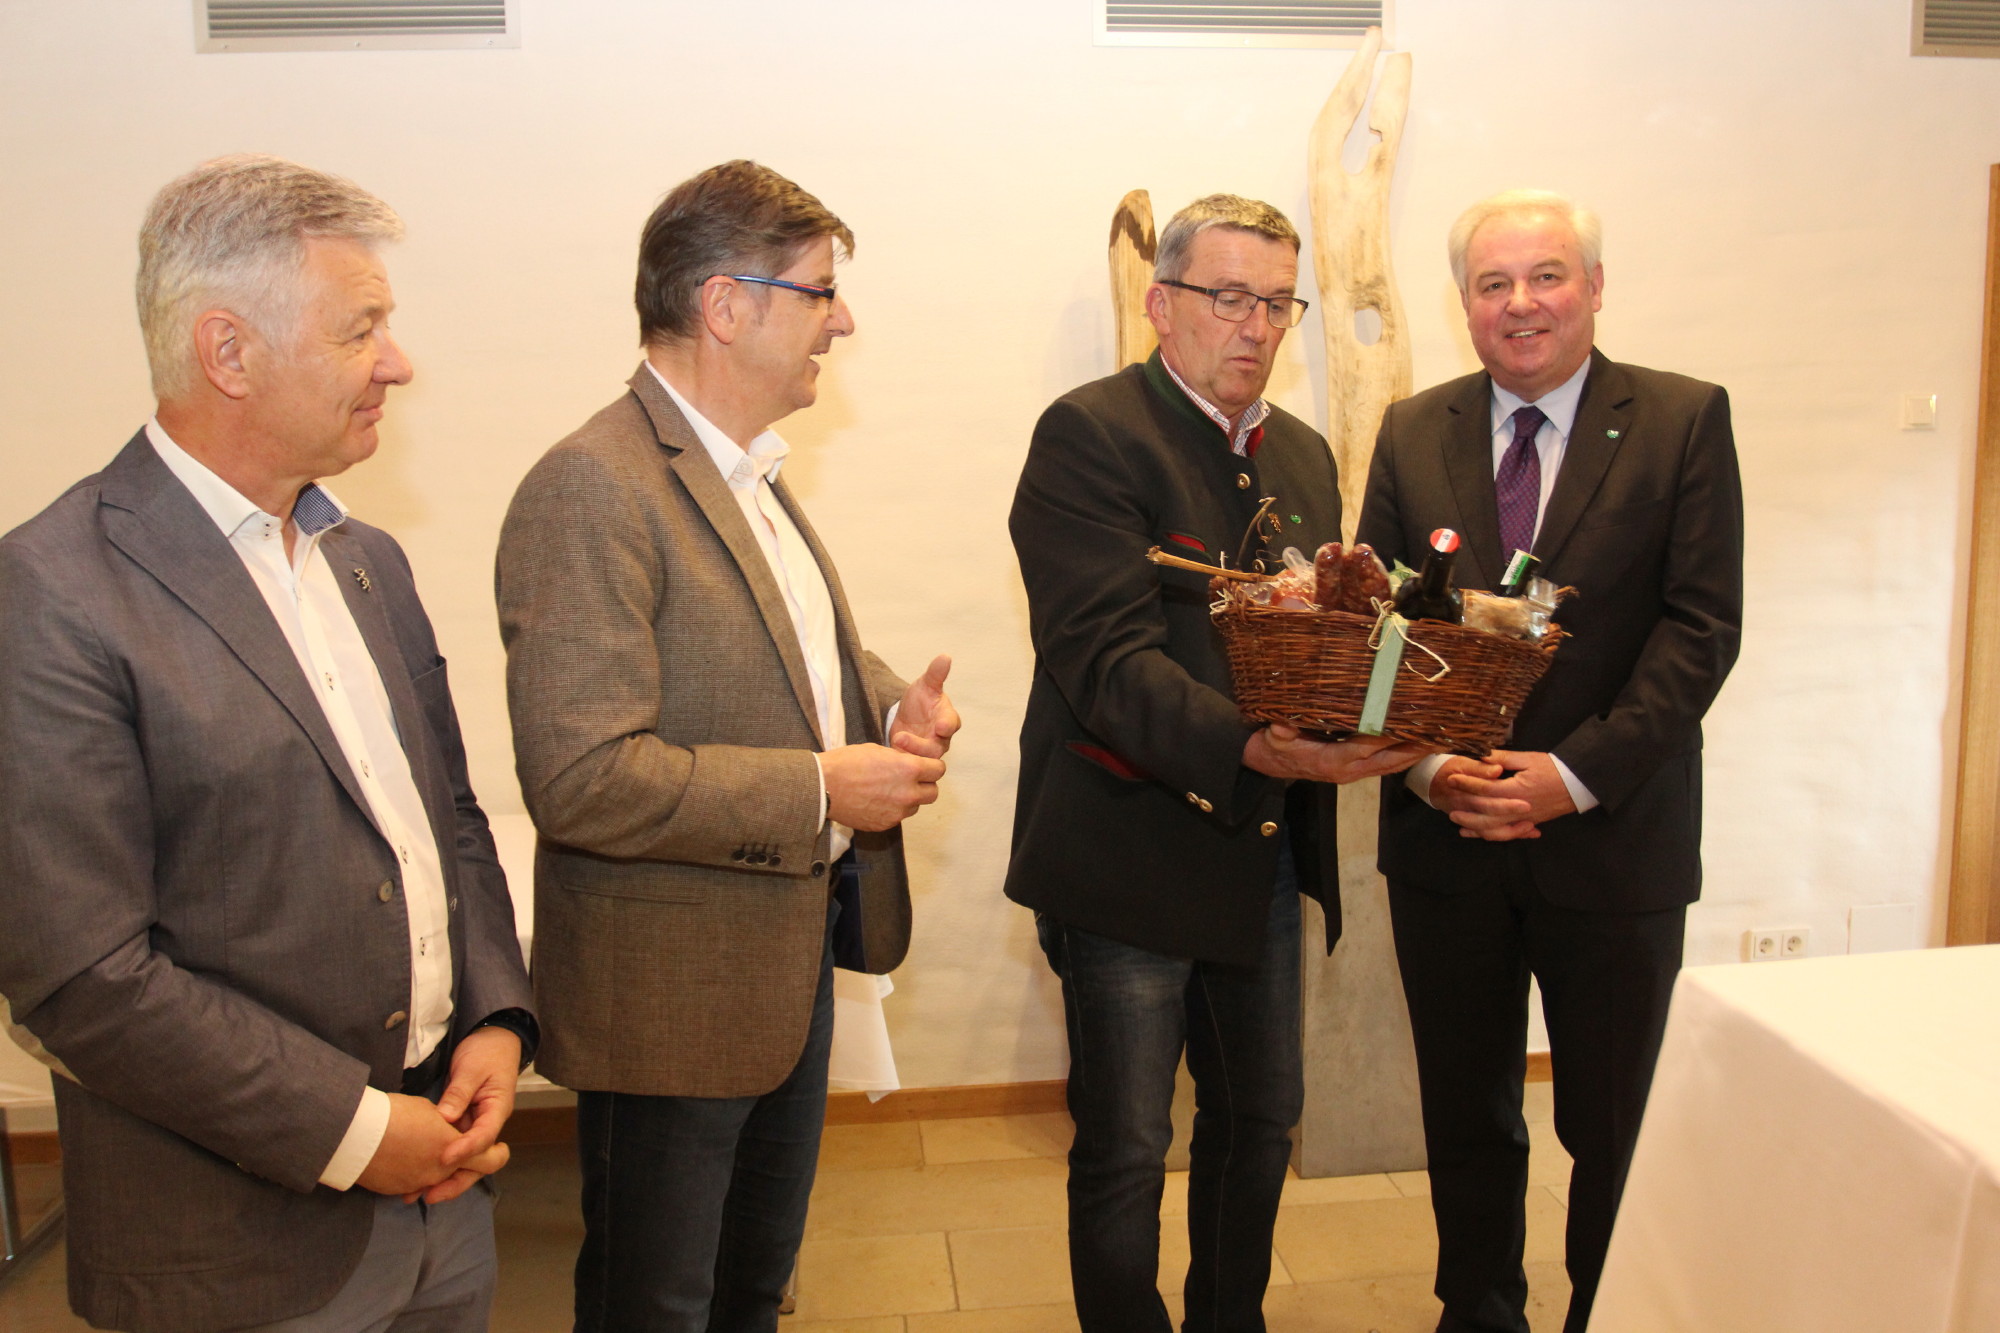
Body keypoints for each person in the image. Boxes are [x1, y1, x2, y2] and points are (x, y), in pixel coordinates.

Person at [0, 154, 536, 1332]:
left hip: (445, 1198)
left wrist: (495, 1017)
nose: (397, 362)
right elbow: (81, 975)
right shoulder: (53, 590)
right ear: (228, 353)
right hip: (233, 1247)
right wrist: (356, 1130)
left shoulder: (366, 560)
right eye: (360, 330)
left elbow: (446, 819)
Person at [496, 159, 959, 1333]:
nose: (841, 321)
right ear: (724, 305)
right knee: (657, 1306)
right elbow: (582, 778)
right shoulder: (592, 486)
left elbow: (787, 656)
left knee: (750, 1292)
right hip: (672, 998)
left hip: (777, 971)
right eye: (819, 291)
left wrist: (887, 707)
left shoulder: (743, 470)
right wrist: (821, 787)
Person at [1006, 193, 1427, 1333]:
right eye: (1229, 297)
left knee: (1258, 1124)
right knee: (1128, 1145)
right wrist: (1251, 743)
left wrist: (1364, 711)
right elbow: (1102, 661)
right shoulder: (1089, 434)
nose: (1257, 326)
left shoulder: (1303, 452)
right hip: (1126, 851)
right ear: (1160, 304)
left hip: (1260, 847)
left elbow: (1313, 644)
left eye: (1278, 303)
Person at [1356, 189, 1744, 1333]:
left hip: (1613, 841)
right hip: (1446, 835)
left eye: (1545, 276)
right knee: (1465, 1113)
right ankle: (1476, 1310)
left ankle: (1608, 1313)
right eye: (1492, 283)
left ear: (1593, 285)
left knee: (1611, 1121)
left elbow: (1698, 629)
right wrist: (1428, 767)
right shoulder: (1410, 429)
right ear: (1463, 302)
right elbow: (1373, 630)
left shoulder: (1680, 418)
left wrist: (1567, 777)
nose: (1519, 303)